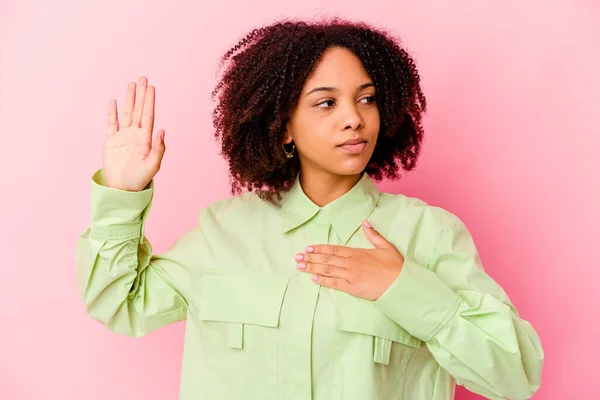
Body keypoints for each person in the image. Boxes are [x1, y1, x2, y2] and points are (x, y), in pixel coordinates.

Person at [76, 17, 544, 400]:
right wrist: (121, 194)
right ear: (283, 127)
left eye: (367, 99)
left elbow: (515, 375)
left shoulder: (430, 234)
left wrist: (405, 288)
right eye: (326, 103)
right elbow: (121, 304)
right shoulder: (224, 230)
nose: (353, 118)